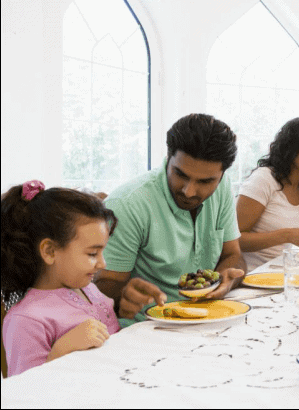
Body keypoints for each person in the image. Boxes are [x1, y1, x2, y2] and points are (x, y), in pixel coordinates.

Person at [94, 114, 246, 327]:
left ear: (221, 175)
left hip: (206, 318)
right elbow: (102, 287)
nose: (189, 191)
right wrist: (123, 295)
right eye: (180, 174)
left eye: (205, 181)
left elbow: (233, 254)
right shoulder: (128, 204)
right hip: (146, 327)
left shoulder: (222, 188)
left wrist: (224, 281)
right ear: (168, 157)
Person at [1, 181, 120, 377]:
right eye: (92, 254)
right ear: (50, 251)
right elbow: (24, 396)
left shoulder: (88, 289)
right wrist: (62, 349)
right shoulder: (26, 320)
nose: (102, 264)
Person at [237, 117, 299, 270]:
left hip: (292, 276)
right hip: (256, 278)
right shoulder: (264, 179)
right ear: (289, 147)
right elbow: (234, 240)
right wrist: (287, 235)